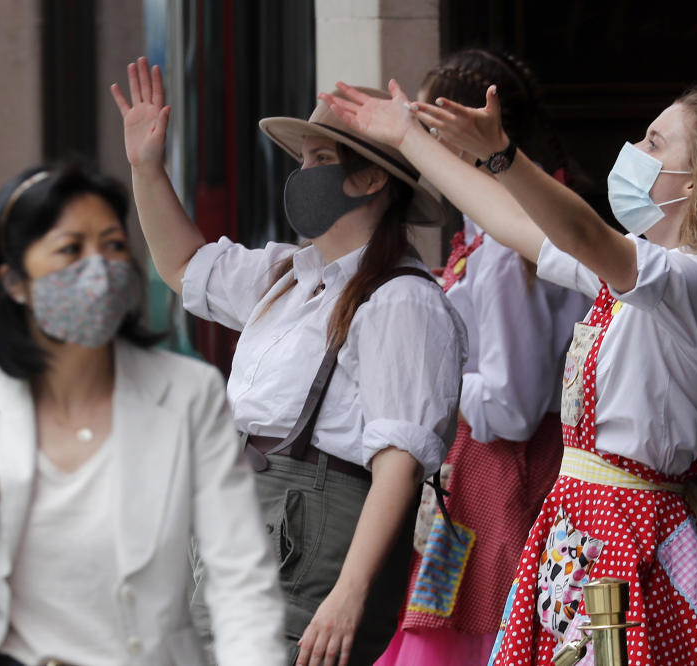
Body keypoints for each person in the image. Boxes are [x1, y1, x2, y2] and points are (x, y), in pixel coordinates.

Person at [320, 80, 697, 664]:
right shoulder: (619, 278)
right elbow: (513, 221)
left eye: (655, 141)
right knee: (439, 624)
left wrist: (503, 158)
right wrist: (407, 137)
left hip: (577, 514)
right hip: (553, 514)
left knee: (466, 625)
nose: (635, 148)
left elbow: (575, 245)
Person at [110, 58, 467, 666]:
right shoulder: (289, 276)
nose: (303, 176)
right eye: (303, 161)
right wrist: (147, 167)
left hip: (308, 548)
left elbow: (400, 466)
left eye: (322, 162)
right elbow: (183, 267)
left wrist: (348, 595)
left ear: (373, 179)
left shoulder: (401, 299)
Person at [0, 164, 285, 666]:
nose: (98, 268)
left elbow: (241, 584)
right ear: (14, 282)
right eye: (70, 249)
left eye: (113, 245)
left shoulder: (189, 395)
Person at [375, 49, 590, 666]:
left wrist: (436, 376)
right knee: (436, 618)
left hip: (499, 481)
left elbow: (513, 405)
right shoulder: (496, 234)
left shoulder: (504, 249)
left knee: (472, 635)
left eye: (424, 134)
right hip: (467, 485)